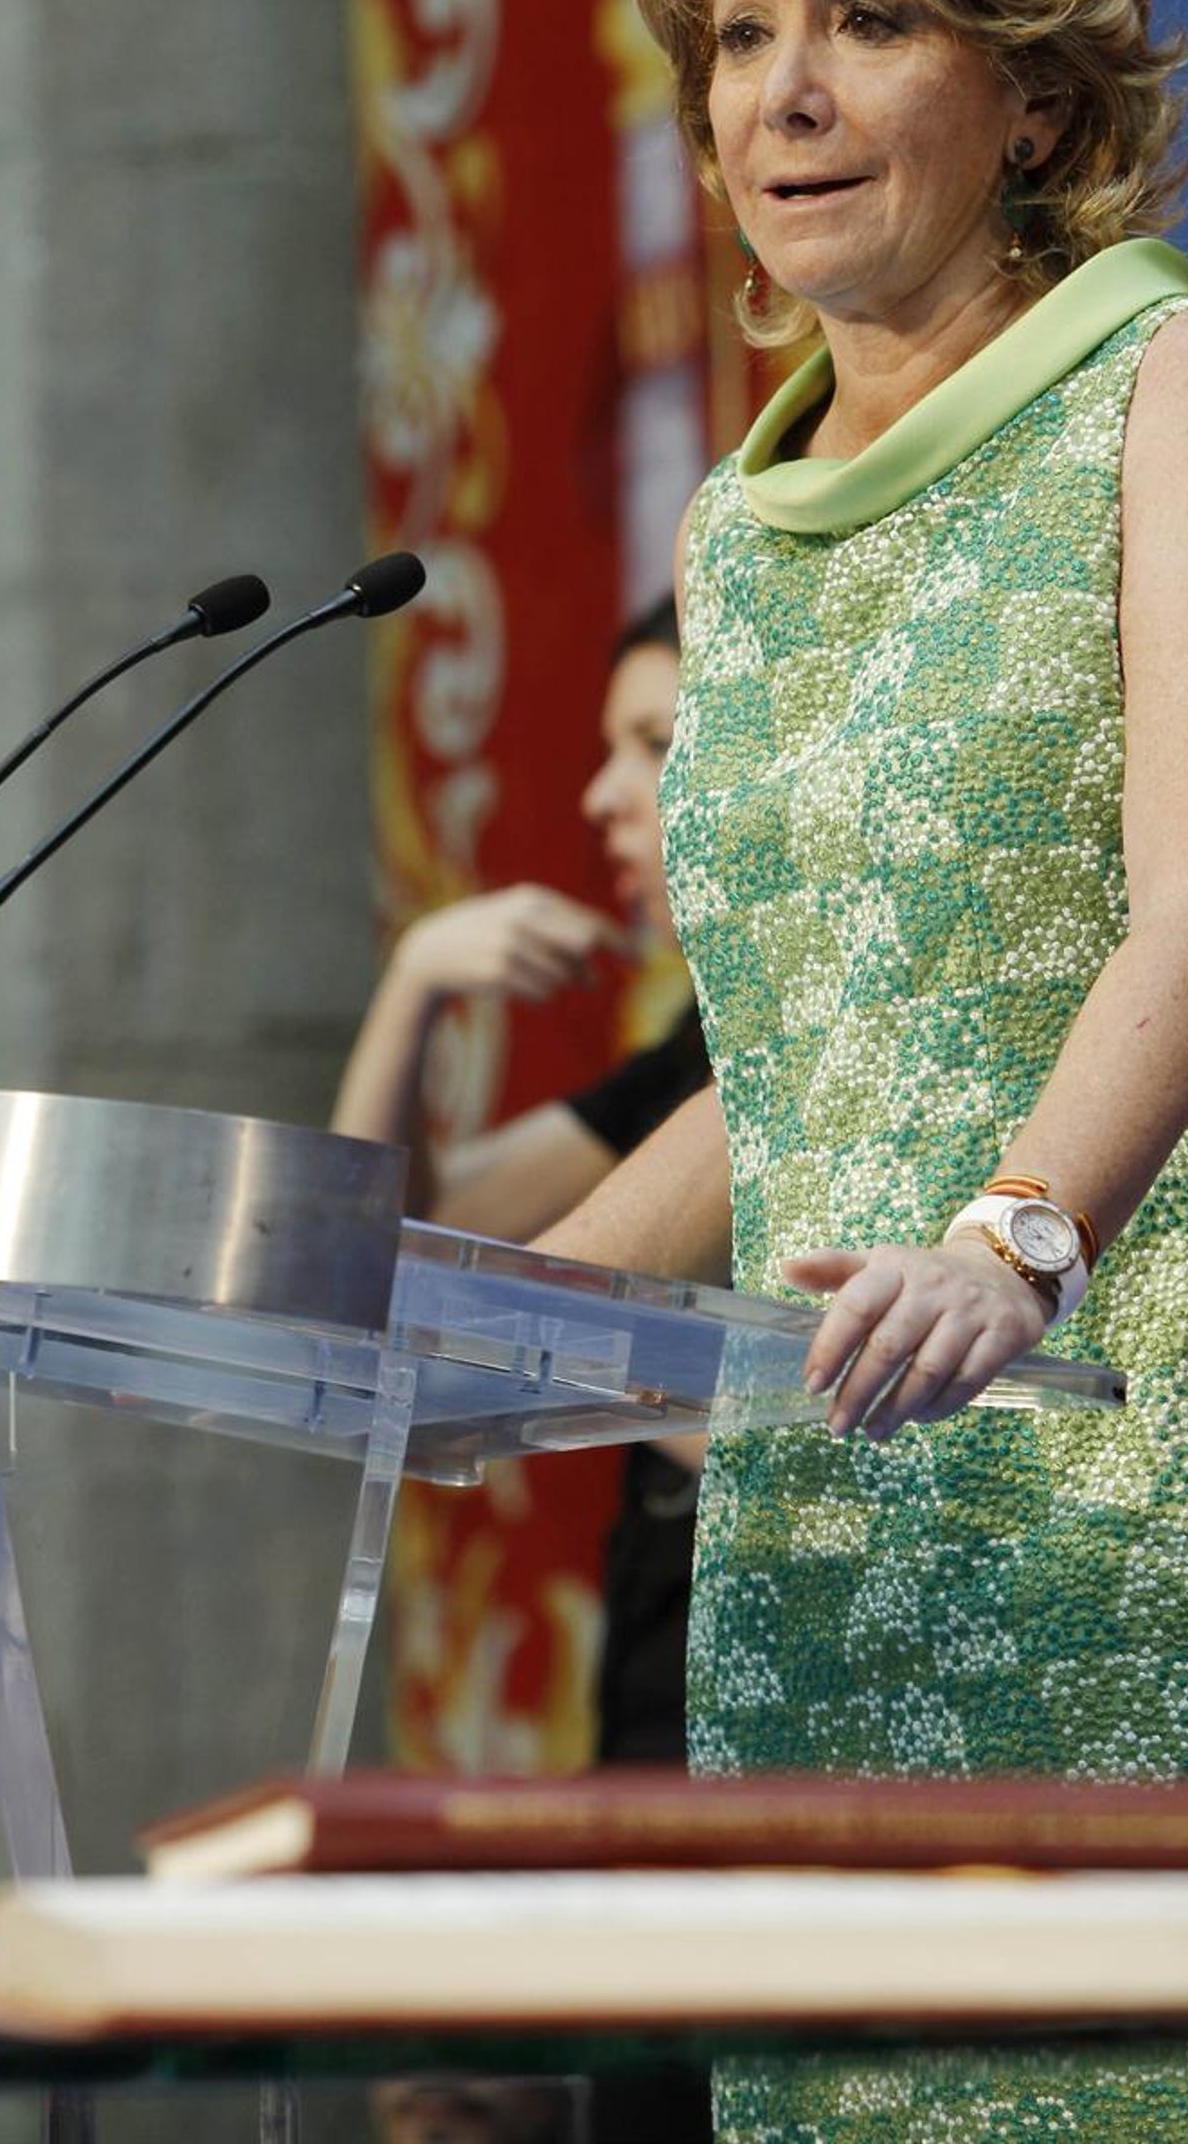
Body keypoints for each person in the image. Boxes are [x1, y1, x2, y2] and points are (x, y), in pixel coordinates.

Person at [531, 0, 1188, 2142]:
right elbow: (801, 1047)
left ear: (1032, 95)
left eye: (866, 18)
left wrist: (1015, 1235)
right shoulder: (740, 532)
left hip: (1146, 1455)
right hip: (833, 1500)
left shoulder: (1180, 386)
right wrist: (484, 1317)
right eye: (741, 34)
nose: (783, 93)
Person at [331, 595, 707, 1768]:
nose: (602, 796)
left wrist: (600, 1371)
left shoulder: (823, 1044)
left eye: (655, 745)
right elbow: (374, 1245)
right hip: (655, 1665)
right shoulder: (695, 1053)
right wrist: (416, 980)